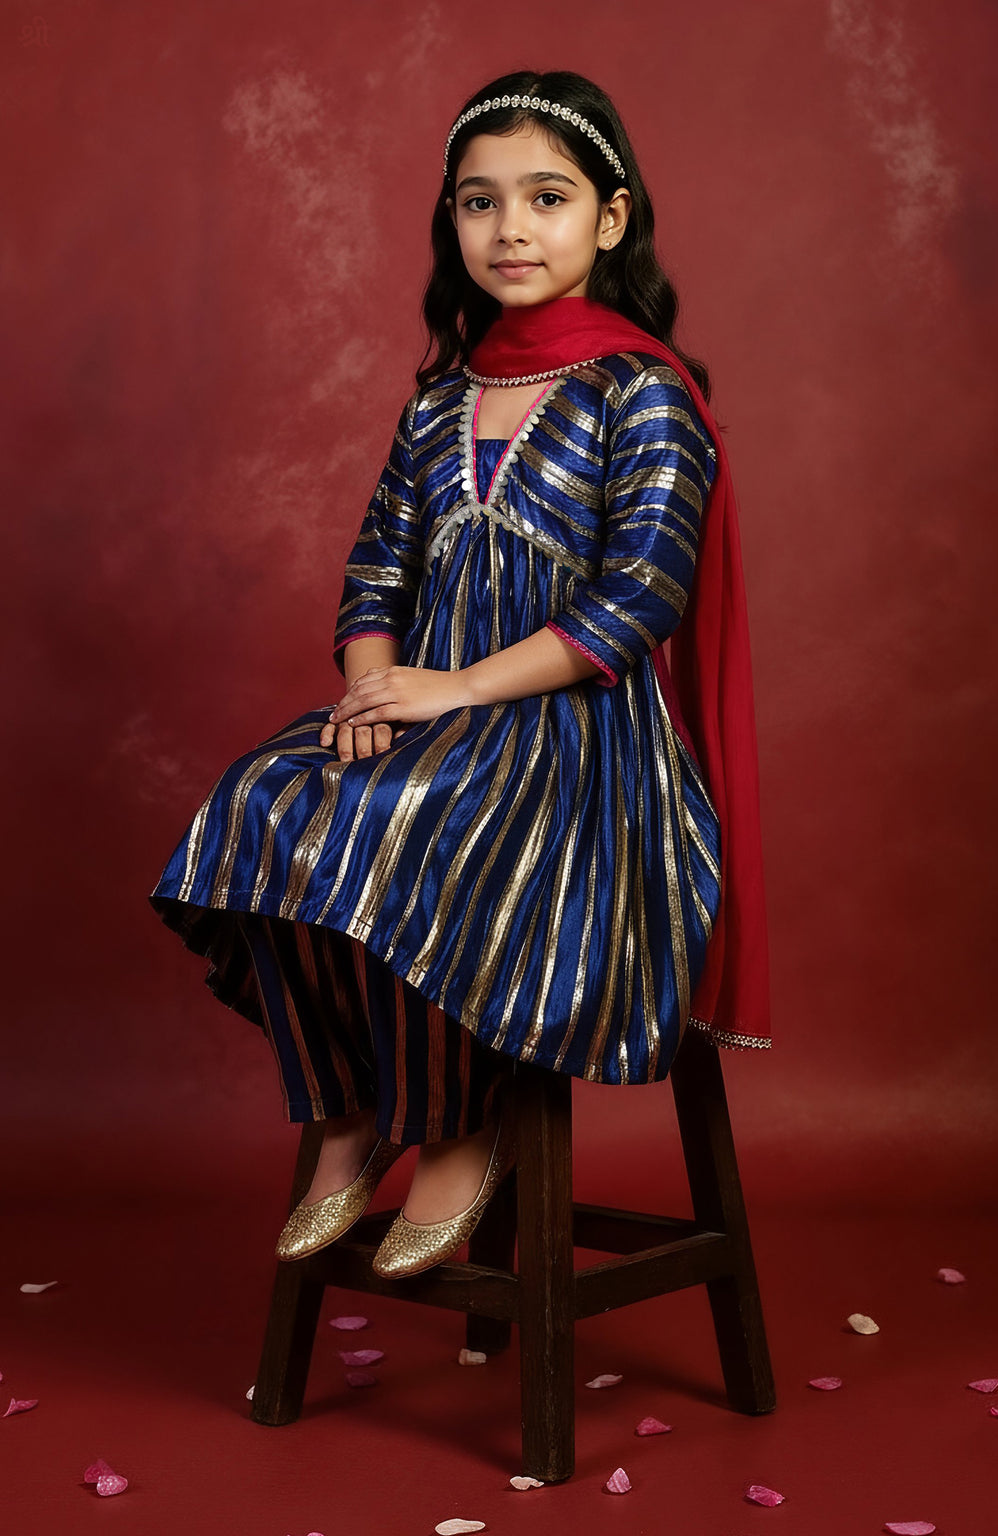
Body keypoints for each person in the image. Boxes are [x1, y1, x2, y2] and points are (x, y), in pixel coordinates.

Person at [148, 68, 771, 1281]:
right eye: (479, 204)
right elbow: (378, 565)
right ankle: (351, 1104)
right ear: (452, 223)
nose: (510, 229)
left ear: (612, 216)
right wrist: (376, 689)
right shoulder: (444, 399)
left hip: (581, 745)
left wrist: (458, 689)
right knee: (266, 802)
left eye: (546, 198)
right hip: (436, 718)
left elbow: (638, 600)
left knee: (412, 824)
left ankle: (455, 1119)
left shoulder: (640, 394)